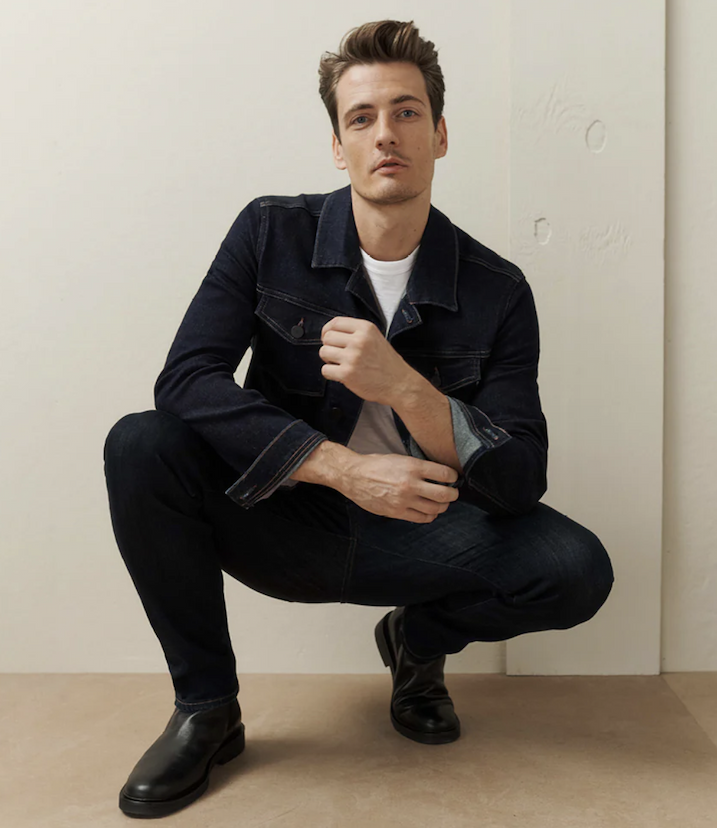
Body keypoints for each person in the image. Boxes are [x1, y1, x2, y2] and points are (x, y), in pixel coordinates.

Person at [103, 19, 614, 819]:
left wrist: (407, 388)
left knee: (575, 567)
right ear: (337, 146)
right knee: (140, 444)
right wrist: (340, 467)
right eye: (362, 117)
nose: (387, 135)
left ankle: (418, 644)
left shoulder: (497, 289)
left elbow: (519, 478)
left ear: (440, 135)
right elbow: (187, 380)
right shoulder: (270, 231)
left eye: (407, 113)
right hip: (283, 514)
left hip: (422, 534)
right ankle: (207, 708)